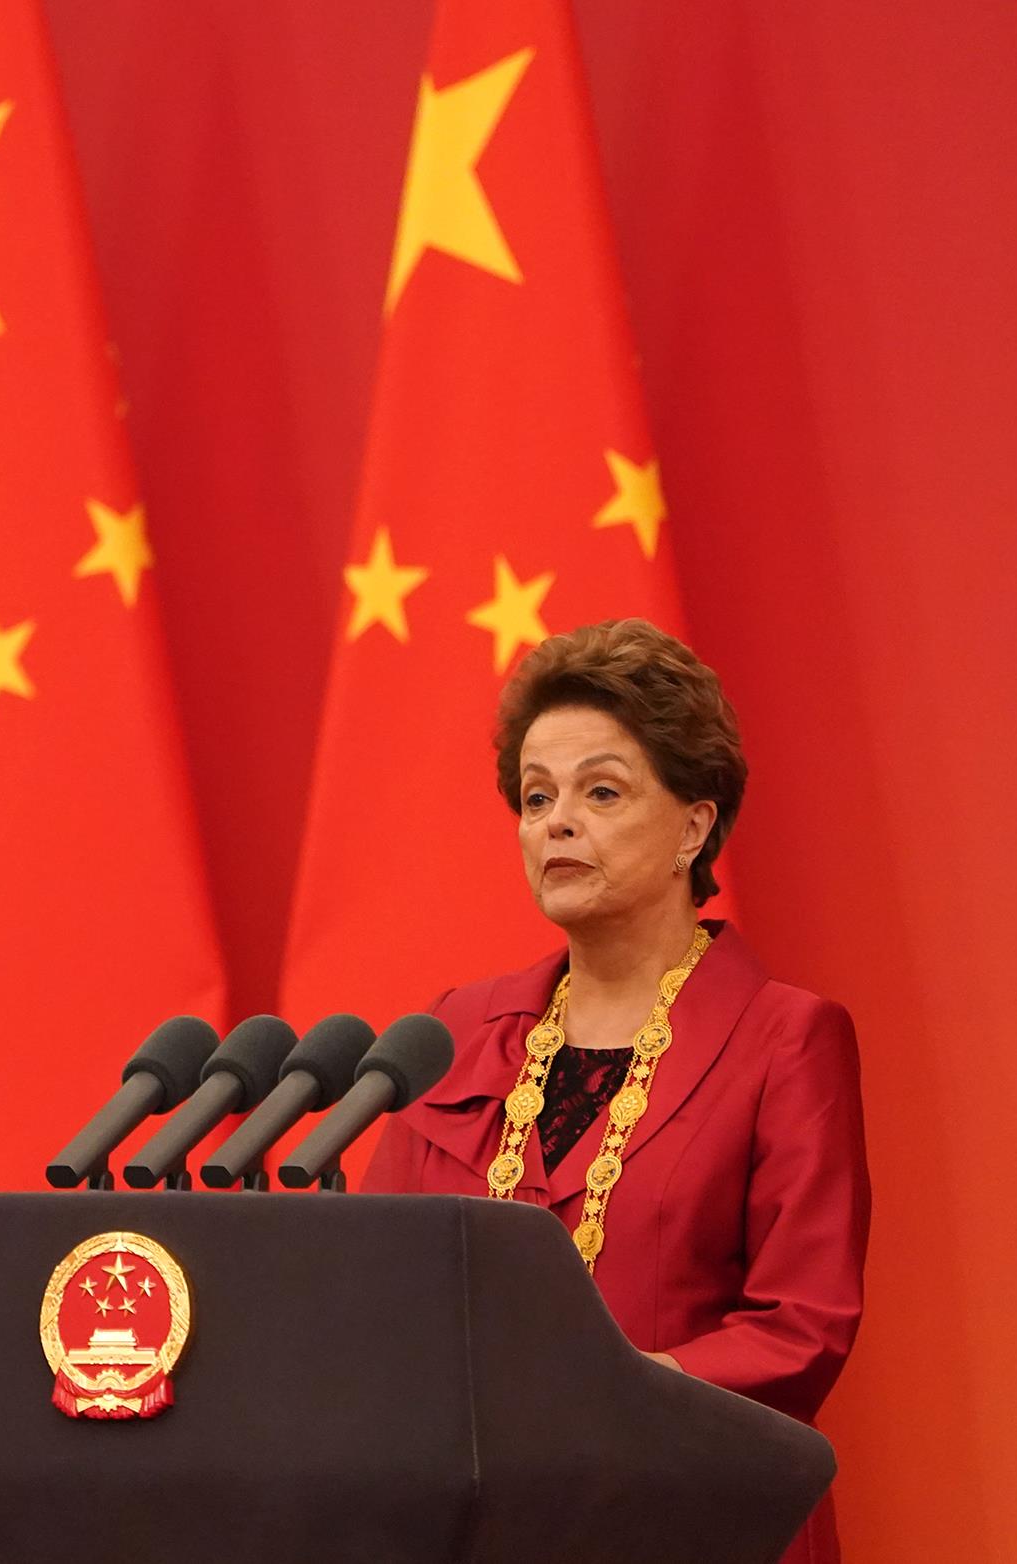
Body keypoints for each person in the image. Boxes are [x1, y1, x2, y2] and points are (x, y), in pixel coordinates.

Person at [361, 617, 870, 1564]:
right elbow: (373, 1287)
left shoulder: (784, 1038)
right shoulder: (455, 1031)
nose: (557, 821)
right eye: (536, 796)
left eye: (601, 792)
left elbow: (800, 1328)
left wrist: (607, 1392)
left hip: (695, 1518)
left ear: (693, 825)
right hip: (488, 1526)